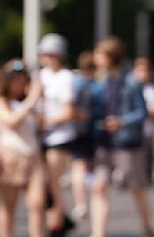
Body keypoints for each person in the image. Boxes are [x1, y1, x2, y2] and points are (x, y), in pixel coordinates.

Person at [90, 37, 153, 237]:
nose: (96, 58)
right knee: (99, 186)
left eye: (100, 54)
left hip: (127, 143)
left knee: (136, 188)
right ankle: (98, 233)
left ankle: (146, 226)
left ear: (111, 56)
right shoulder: (102, 80)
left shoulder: (132, 81)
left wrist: (121, 121)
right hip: (105, 142)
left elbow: (142, 112)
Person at [0, 60, 45, 237]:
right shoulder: (4, 102)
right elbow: (11, 121)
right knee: (8, 208)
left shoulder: (28, 104)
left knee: (38, 204)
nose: (19, 84)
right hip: (11, 158)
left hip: (33, 157)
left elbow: (41, 126)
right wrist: (31, 99)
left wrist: (37, 102)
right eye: (16, 80)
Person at [38, 33, 77, 234]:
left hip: (60, 137)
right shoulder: (40, 76)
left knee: (52, 182)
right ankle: (60, 218)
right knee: (43, 184)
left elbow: (69, 112)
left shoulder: (66, 77)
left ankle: (57, 223)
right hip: (41, 137)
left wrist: (47, 121)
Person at [70, 51, 101, 221]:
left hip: (77, 129)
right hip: (94, 129)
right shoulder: (97, 85)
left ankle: (80, 203)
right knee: (92, 168)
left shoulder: (75, 83)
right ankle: (91, 200)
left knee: (78, 168)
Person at [133, 57, 154, 184]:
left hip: (146, 130)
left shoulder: (151, 89)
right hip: (133, 130)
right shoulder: (131, 88)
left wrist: (141, 111)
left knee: (145, 157)